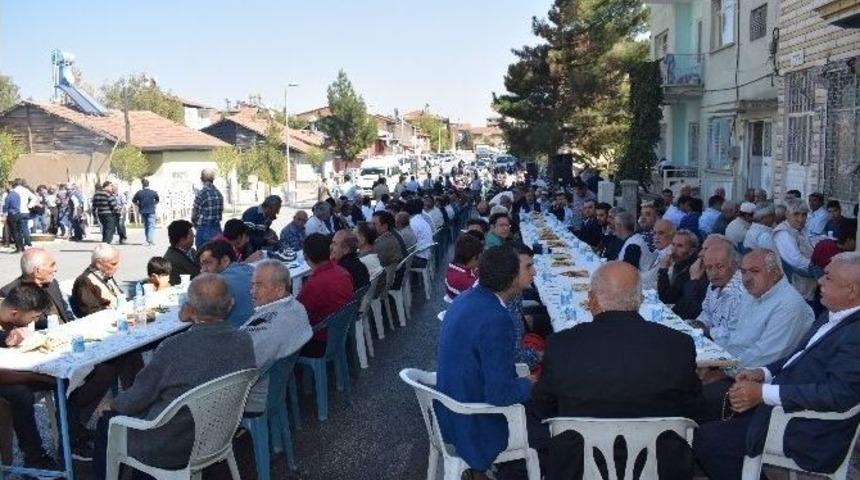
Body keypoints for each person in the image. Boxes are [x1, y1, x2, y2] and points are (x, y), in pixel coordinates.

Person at [694, 252, 860, 480]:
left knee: (707, 440)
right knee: (703, 405)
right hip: (783, 403)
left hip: (807, 429)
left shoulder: (855, 333)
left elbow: (839, 394)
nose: (819, 280)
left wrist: (764, 393)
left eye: (828, 278)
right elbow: (796, 358)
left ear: (852, 291)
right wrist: (763, 373)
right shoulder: (832, 314)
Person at [532, 261, 703, 479]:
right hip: (658, 467)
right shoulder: (678, 344)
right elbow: (694, 407)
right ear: (640, 299)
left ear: (592, 299)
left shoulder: (562, 344)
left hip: (579, 466)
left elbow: (543, 406)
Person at [92, 274, 257, 480]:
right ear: (231, 303)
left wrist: (113, 405)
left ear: (191, 309)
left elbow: (139, 396)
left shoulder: (174, 347)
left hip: (171, 444)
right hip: (218, 434)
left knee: (107, 422)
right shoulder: (243, 340)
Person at [436, 246, 535, 479]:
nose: (534, 272)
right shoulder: (497, 318)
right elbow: (499, 395)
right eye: (528, 267)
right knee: (551, 425)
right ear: (512, 279)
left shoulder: (467, 298)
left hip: (449, 411)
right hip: (474, 423)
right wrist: (531, 382)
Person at [241, 260, 312, 413]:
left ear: (280, 289)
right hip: (276, 388)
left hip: (254, 397)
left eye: (258, 285)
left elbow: (241, 366)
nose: (252, 292)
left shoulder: (270, 327)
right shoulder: (297, 307)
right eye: (252, 285)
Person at [0, 284, 58, 470]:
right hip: (7, 375)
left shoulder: (10, 311)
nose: (35, 320)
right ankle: (34, 457)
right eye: (33, 317)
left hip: (15, 368)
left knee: (62, 379)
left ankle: (71, 438)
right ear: (15, 314)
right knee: (20, 393)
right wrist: (36, 376)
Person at [725, 249, 815, 368]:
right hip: (730, 361)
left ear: (775, 273)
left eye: (755, 271)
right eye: (743, 272)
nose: (746, 278)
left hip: (757, 377)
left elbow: (763, 356)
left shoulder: (789, 305)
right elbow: (733, 331)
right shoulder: (752, 293)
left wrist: (724, 368)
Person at [297, 233, 354, 357]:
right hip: (340, 332)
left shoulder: (314, 283)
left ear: (306, 256)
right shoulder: (342, 272)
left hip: (321, 340)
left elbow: (298, 314)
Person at [0, 248, 74, 328]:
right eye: (52, 265)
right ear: (37, 271)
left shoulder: (52, 283)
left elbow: (65, 311)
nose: (56, 269)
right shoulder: (9, 292)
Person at [692, 238, 745, 348]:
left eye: (720, 266)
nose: (714, 273)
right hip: (710, 345)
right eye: (709, 267)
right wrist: (697, 325)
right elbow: (706, 312)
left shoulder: (742, 291)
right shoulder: (715, 283)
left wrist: (706, 331)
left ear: (734, 264)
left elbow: (734, 334)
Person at [198, 240, 255, 328]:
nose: (203, 270)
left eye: (208, 263)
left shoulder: (218, 283)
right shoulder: (250, 269)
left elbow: (187, 312)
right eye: (202, 264)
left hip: (235, 335)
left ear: (225, 260)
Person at [773, 199, 816, 299]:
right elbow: (795, 260)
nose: (800, 219)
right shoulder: (783, 233)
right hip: (798, 286)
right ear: (787, 214)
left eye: (804, 215)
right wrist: (819, 267)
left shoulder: (801, 229)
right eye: (796, 214)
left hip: (809, 282)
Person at [657, 230, 704, 319]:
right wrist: (663, 270)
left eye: (680, 246)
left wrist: (663, 270)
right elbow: (667, 297)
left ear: (691, 251)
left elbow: (685, 304)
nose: (674, 250)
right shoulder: (679, 264)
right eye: (673, 244)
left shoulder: (694, 269)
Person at [71, 243, 124, 317]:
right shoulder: (85, 281)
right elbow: (91, 312)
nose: (117, 267)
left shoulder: (105, 274)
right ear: (99, 264)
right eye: (113, 264)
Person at [191, 168, 224, 248]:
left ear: (201, 179)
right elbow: (220, 213)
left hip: (204, 230)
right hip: (217, 230)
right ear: (213, 179)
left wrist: (195, 225)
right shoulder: (219, 194)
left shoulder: (201, 194)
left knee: (202, 257)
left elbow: (194, 214)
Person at [641, 219, 675, 290]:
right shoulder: (656, 252)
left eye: (661, 233)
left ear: (672, 236)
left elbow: (660, 285)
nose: (656, 237)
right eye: (654, 233)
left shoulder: (672, 256)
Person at [445, 234, 482, 299]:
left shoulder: (453, 267)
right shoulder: (465, 280)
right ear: (473, 258)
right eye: (479, 258)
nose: (480, 261)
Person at [163, 220, 200, 286]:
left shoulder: (192, 251)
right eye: (191, 235)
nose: (194, 237)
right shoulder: (172, 262)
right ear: (182, 240)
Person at [131, 178, 160, 246]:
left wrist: (139, 204)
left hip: (143, 210)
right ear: (148, 184)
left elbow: (134, 201)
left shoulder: (139, 192)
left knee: (146, 225)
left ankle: (148, 239)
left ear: (142, 185)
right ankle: (150, 239)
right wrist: (154, 203)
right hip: (151, 210)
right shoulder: (153, 192)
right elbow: (157, 200)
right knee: (151, 225)